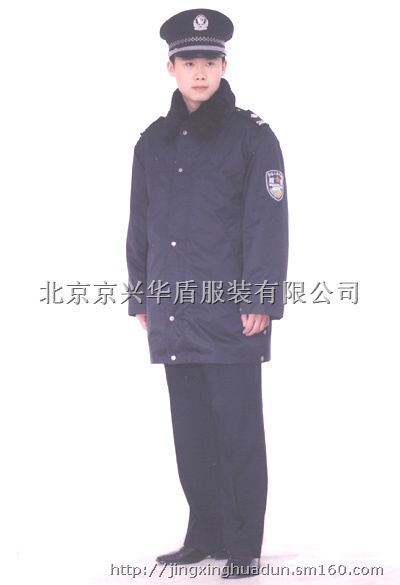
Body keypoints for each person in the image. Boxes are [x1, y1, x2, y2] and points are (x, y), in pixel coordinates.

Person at [126, 8, 288, 579]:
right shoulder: (152, 141)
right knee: (191, 431)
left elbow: (266, 222)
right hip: (172, 311)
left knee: (237, 431)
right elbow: (140, 222)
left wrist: (261, 298)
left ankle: (244, 544)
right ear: (171, 68)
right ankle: (205, 534)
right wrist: (141, 296)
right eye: (189, 61)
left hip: (231, 312)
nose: (200, 71)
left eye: (209, 61)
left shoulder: (252, 137)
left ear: (224, 66)